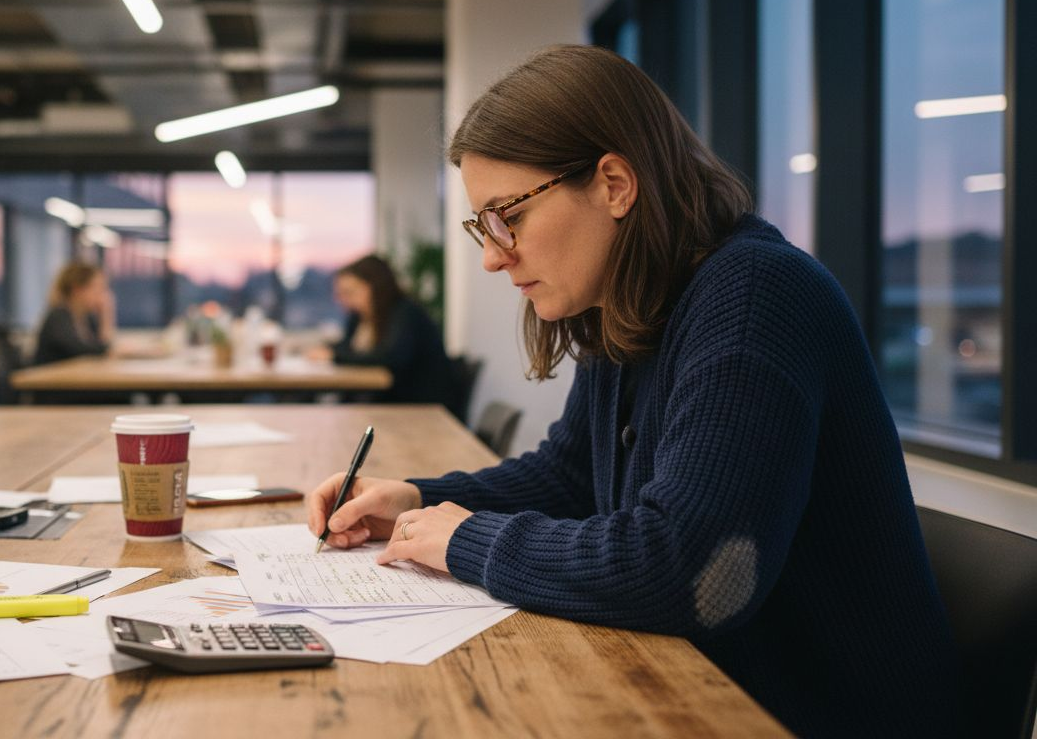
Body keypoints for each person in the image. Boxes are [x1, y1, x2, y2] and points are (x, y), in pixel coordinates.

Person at [306, 45, 960, 737]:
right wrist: (417, 500)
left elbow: (688, 569)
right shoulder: (638, 299)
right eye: (483, 227)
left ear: (615, 185)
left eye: (508, 218)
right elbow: (572, 476)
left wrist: (468, 540)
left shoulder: (754, 299)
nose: (494, 256)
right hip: (710, 688)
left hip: (806, 712)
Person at [316, 255, 453, 407]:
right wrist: (330, 351)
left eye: (350, 292)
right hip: (383, 402)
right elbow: (347, 346)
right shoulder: (359, 317)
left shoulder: (405, 313)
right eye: (341, 294)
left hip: (415, 405)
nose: (343, 300)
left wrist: (334, 356)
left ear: (375, 286)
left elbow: (389, 356)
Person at [33, 261, 115, 365]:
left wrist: (106, 317)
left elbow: (100, 347)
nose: (103, 295)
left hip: (72, 377)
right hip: (49, 379)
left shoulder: (87, 318)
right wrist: (107, 316)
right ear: (77, 290)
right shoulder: (58, 317)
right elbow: (83, 351)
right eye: (98, 288)